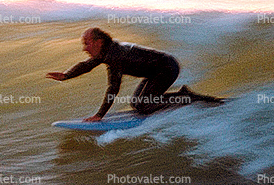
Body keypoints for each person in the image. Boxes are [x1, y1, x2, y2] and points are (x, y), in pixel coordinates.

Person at [46, 27, 222, 122]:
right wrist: (66, 75)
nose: (84, 48)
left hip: (166, 68)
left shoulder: (115, 55)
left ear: (99, 42)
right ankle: (181, 95)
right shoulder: (107, 50)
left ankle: (186, 98)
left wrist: (100, 115)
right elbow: (88, 65)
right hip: (156, 70)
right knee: (137, 103)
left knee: (144, 106)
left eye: (87, 43)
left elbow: (113, 87)